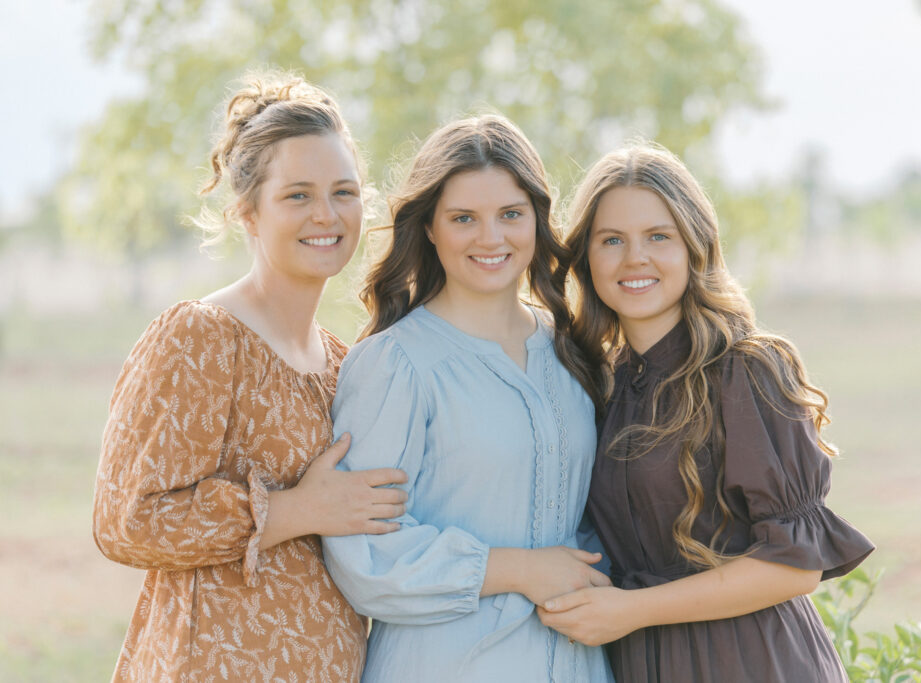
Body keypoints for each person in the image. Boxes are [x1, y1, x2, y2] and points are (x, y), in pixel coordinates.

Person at [92, 72, 408, 682]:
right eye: (298, 195)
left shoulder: (344, 362)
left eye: (344, 192)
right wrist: (296, 510)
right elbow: (125, 521)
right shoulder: (201, 339)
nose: (327, 214)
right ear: (247, 211)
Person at [538, 143, 874, 682]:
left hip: (754, 660)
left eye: (658, 236)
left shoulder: (745, 370)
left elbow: (795, 569)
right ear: (587, 257)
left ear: (695, 246)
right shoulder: (595, 383)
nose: (634, 259)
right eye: (611, 240)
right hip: (642, 662)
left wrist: (630, 611)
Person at [321, 114, 614, 682]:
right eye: (463, 219)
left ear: (536, 219)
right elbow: (365, 557)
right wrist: (520, 570)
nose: (491, 238)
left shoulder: (573, 356)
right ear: (429, 228)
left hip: (575, 666)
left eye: (510, 214)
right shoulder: (396, 364)